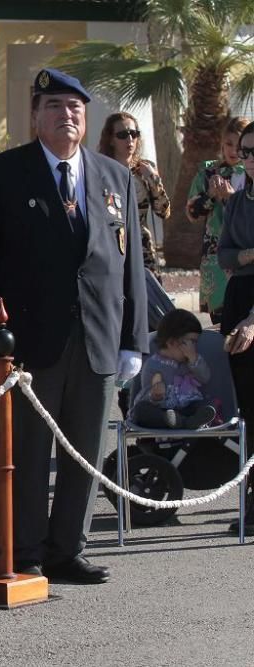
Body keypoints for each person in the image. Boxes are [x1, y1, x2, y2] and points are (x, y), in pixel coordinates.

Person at [0, 68, 147, 584]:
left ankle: (68, 548)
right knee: (29, 451)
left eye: (74, 108)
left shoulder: (115, 176)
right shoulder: (3, 174)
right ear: (35, 115)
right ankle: (26, 549)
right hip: (30, 342)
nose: (65, 115)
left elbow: (131, 265)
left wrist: (133, 339)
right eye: (54, 106)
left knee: (85, 451)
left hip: (97, 339)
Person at [214, 120, 254, 535]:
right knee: (247, 410)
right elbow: (225, 256)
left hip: (252, 313)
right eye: (245, 152)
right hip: (238, 298)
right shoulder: (239, 201)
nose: (250, 158)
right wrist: (250, 255)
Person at [188, 116, 250, 323]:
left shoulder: (250, 172)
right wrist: (211, 195)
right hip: (215, 260)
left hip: (245, 257)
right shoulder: (208, 173)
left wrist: (231, 199)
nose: (233, 151)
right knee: (221, 323)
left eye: (238, 145)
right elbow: (192, 213)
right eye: (228, 144)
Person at [97, 111, 169, 280]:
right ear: (111, 140)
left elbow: (163, 211)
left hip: (143, 249)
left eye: (133, 133)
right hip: (111, 247)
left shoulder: (145, 169)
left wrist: (154, 179)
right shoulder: (99, 170)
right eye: (122, 135)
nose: (130, 140)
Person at [130, 309, 216, 429]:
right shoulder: (152, 365)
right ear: (171, 342)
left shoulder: (192, 361)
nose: (194, 347)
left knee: (208, 404)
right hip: (163, 412)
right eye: (191, 342)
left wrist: (193, 358)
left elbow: (205, 378)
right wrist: (155, 396)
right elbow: (147, 394)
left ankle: (189, 422)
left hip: (187, 408)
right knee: (141, 410)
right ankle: (181, 423)